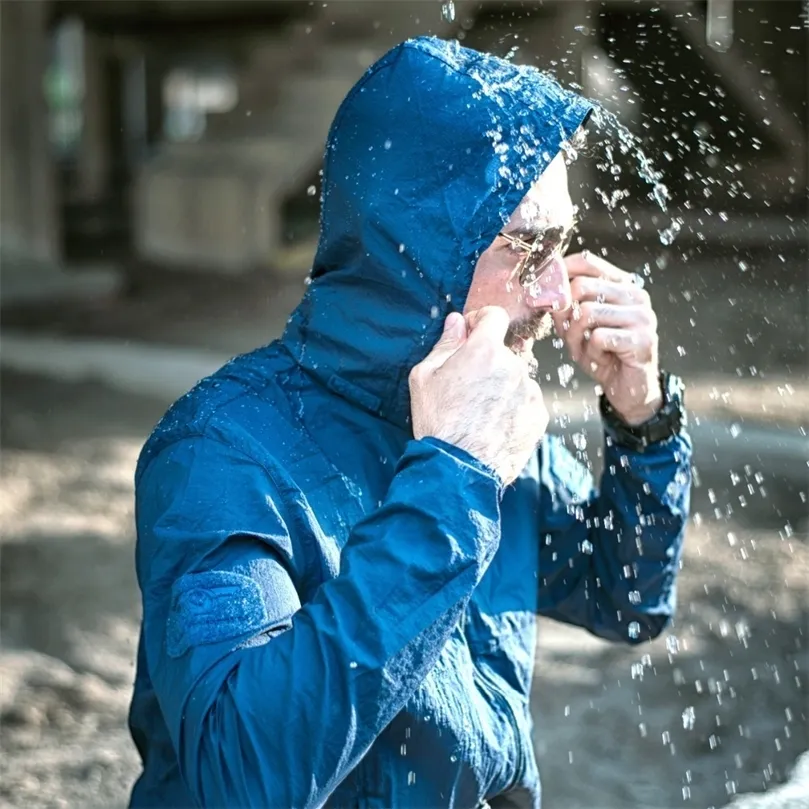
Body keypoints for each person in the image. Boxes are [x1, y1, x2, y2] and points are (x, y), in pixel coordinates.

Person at [128, 36, 691, 809]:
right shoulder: (221, 455)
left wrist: (643, 420)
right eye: (527, 250)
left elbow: (623, 599)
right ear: (414, 258)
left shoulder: (488, 423)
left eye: (561, 246)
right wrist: (449, 479)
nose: (556, 293)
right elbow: (243, 777)